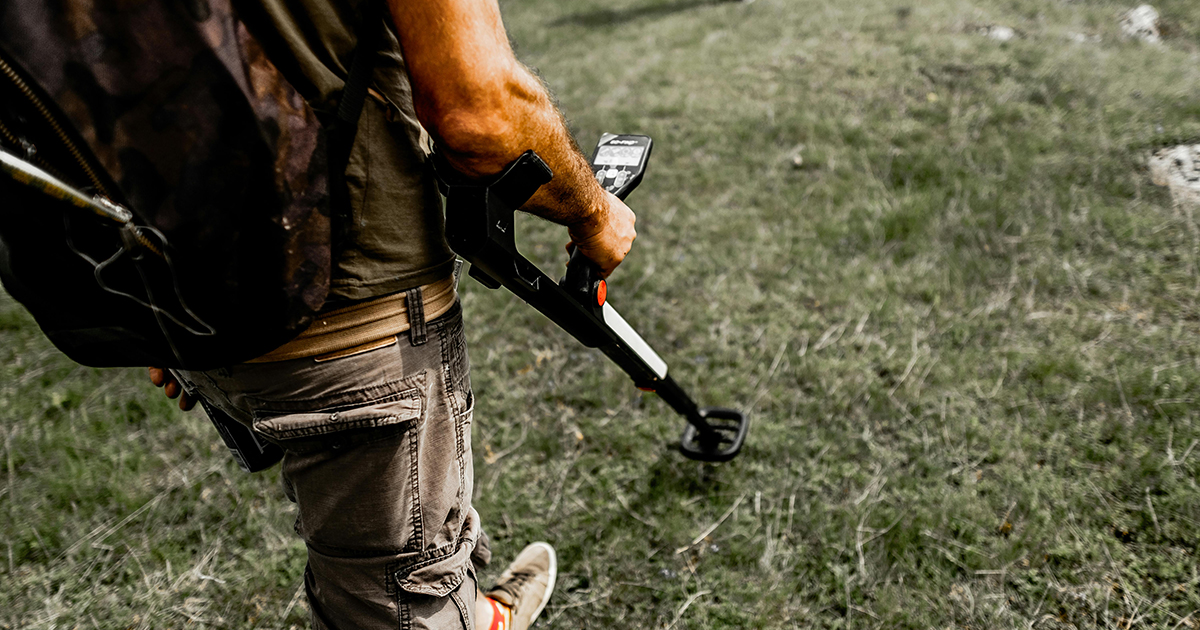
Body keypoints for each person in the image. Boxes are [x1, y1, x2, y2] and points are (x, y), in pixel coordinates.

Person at [148, 0, 637, 627]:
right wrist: (594, 212)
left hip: (175, 300)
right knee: (393, 604)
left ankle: (473, 609)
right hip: (351, 310)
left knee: (402, 539)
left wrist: (139, 306)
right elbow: (479, 113)